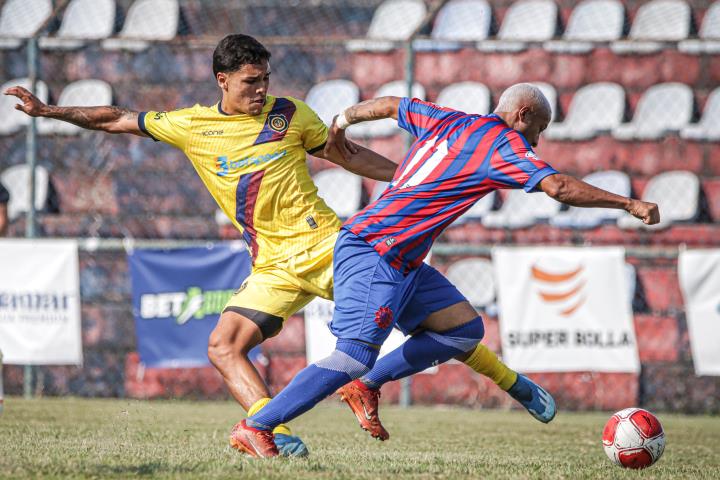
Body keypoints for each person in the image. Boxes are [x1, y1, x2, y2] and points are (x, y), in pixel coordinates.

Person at [4, 35, 548, 457]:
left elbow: (349, 156)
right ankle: (275, 433)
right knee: (223, 345)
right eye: (249, 82)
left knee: (436, 326)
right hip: (272, 264)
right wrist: (50, 113)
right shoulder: (189, 124)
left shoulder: (291, 114)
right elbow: (120, 118)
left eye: (265, 79)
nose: (261, 90)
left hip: (331, 247)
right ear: (222, 80)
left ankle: (514, 384)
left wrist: (418, 182)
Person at [232, 83, 660, 457]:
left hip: (403, 259)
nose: (538, 142)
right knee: (352, 356)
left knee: (463, 330)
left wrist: (341, 121)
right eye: (539, 130)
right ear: (522, 114)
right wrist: (628, 203)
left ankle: (366, 386)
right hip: (375, 249)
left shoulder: (447, 119)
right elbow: (558, 187)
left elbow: (389, 105)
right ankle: (258, 426)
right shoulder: (503, 144)